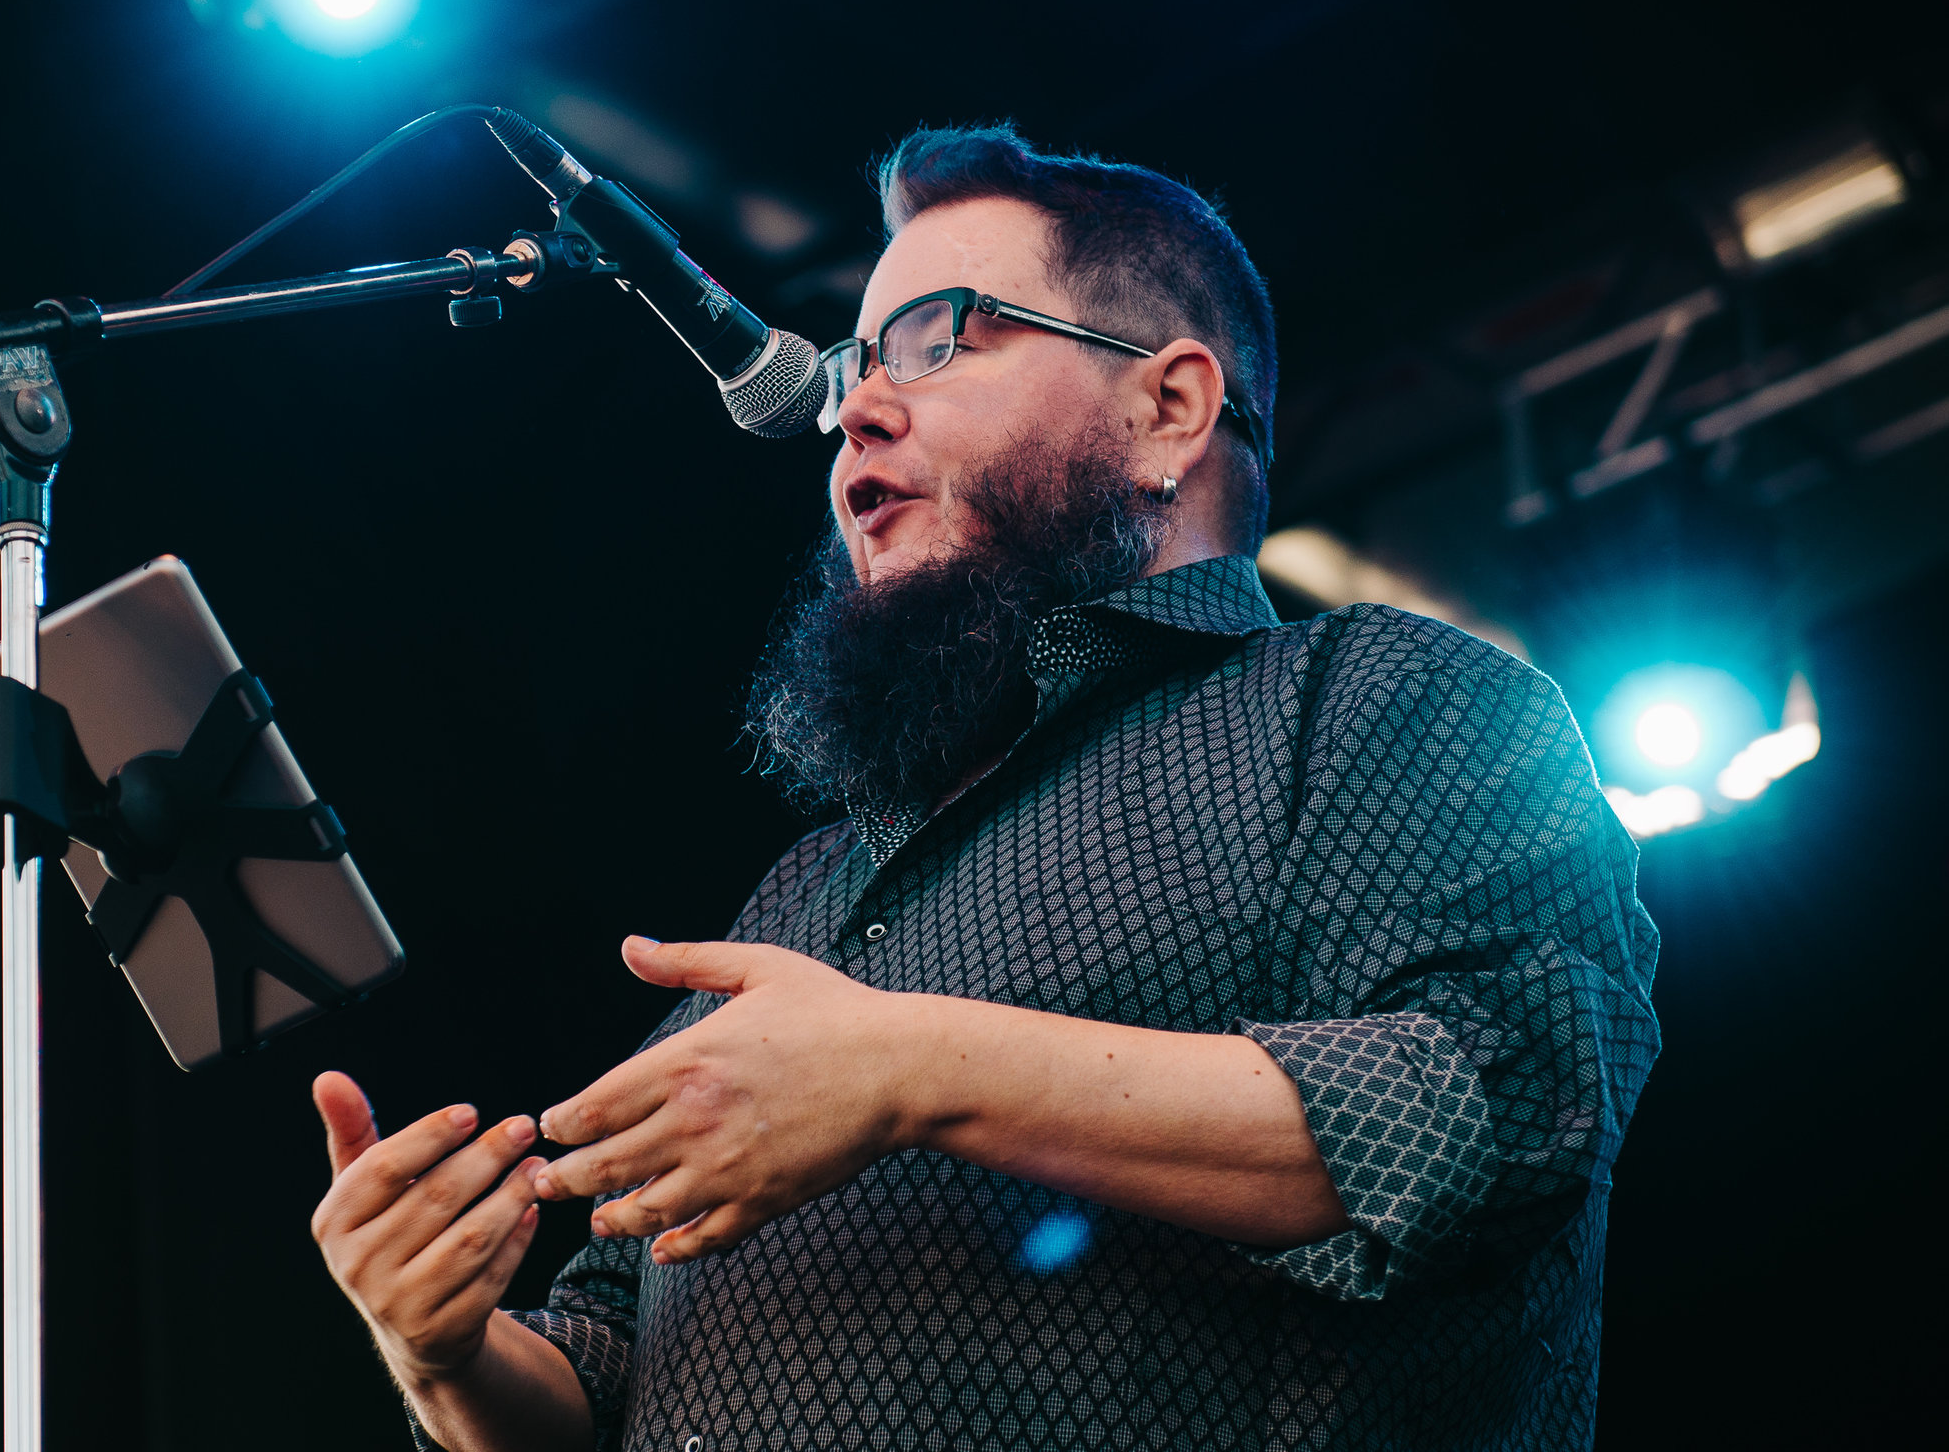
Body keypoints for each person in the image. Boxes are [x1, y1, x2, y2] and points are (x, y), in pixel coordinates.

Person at [308, 123, 1661, 1451]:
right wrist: (450, 1358)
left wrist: (907, 1069)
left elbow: (1497, 1105)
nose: (855, 415)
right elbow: (608, 1374)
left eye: (939, 336)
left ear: (1167, 407)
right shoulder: (800, 897)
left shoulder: (1383, 698)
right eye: (853, 369)